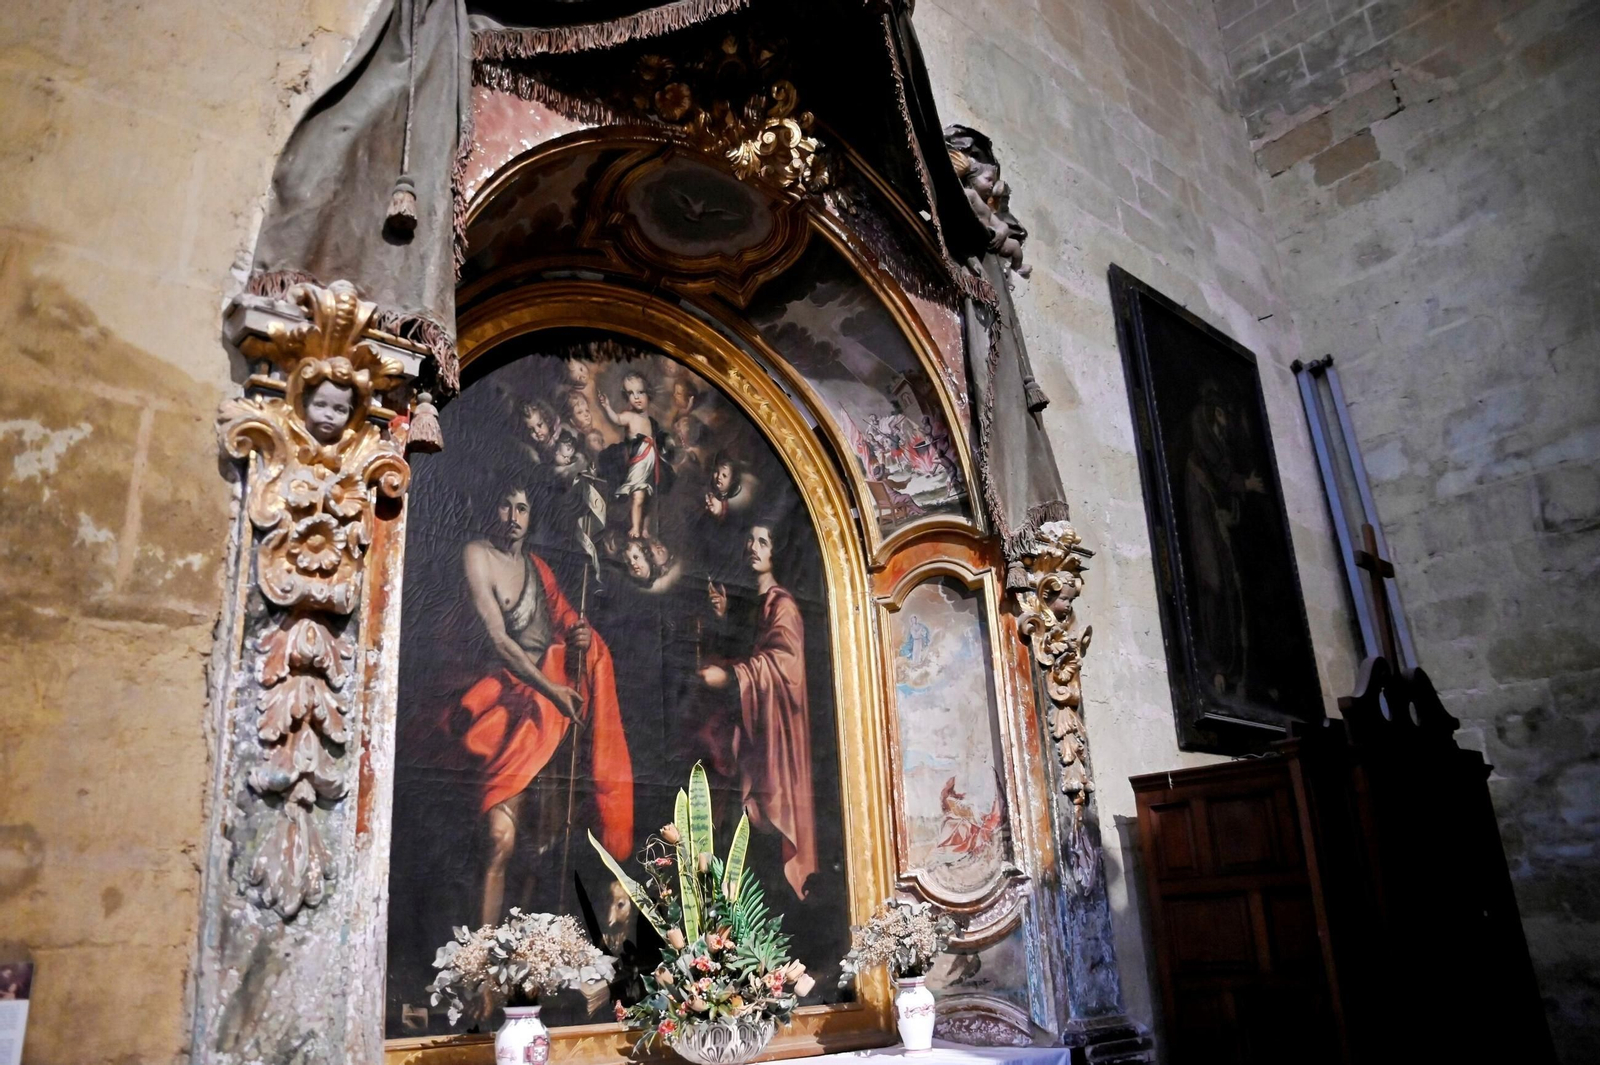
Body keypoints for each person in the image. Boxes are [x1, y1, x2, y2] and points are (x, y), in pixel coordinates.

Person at [453, 480, 634, 926]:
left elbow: (566, 617)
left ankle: (523, 948)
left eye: (522, 509)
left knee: (541, 842)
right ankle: (479, 953)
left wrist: (580, 635)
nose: (514, 517)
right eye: (506, 506)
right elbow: (499, 640)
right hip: (503, 704)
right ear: (491, 510)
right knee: (498, 838)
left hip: (545, 716)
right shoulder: (478, 555)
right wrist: (552, 690)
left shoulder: (538, 568)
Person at [697, 520, 817, 899]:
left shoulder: (784, 606)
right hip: (753, 733)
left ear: (774, 552)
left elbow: (785, 665)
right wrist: (722, 615)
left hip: (775, 738)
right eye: (749, 540)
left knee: (762, 828)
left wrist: (730, 677)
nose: (753, 547)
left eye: (762, 541)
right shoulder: (757, 605)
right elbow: (751, 652)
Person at [599, 371, 668, 539]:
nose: (636, 397)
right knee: (637, 497)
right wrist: (607, 406)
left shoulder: (652, 422)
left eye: (640, 392)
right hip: (638, 465)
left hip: (651, 466)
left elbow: (660, 442)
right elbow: (616, 419)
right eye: (631, 393)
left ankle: (645, 529)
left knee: (651, 499)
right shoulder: (629, 416)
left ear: (648, 394)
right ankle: (635, 527)